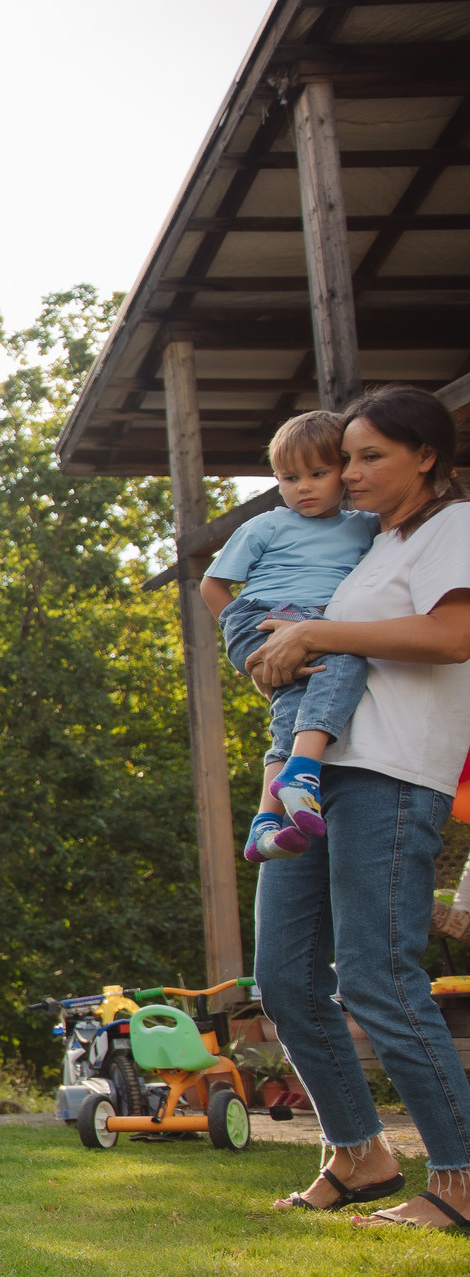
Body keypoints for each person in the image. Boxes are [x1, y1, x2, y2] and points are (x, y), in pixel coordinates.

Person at [241, 388, 470, 1231]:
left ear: (427, 457)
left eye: (372, 456)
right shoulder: (371, 548)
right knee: (284, 977)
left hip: (393, 773)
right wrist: (282, 656)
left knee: (377, 975)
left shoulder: (455, 527)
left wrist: (320, 635)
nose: (352, 472)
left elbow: (453, 635)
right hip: (315, 778)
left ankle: (462, 1177)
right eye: (349, 457)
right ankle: (359, 1151)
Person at [201, 411, 382, 859]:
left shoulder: (363, 525)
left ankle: (265, 824)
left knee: (293, 709)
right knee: (346, 655)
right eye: (289, 478)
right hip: (261, 615)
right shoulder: (267, 524)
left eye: (318, 474)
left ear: (344, 470)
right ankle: (303, 771)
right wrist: (244, 644)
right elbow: (212, 584)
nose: (303, 487)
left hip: (308, 623)